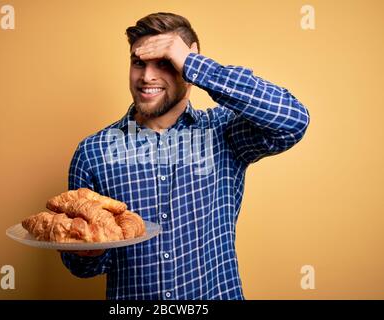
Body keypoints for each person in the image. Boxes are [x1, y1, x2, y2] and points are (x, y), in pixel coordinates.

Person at [60, 12, 310, 300]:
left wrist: (196, 66)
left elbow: (292, 120)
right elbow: (80, 267)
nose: (147, 76)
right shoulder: (93, 152)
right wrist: (90, 247)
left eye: (165, 63)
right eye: (138, 62)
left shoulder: (223, 132)